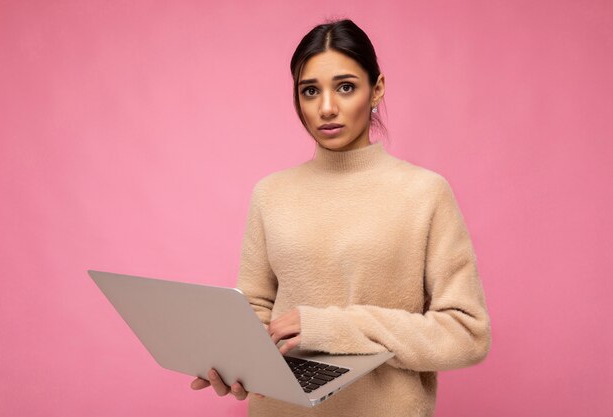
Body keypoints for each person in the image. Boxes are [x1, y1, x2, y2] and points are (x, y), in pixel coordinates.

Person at [191, 18, 491, 417]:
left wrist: (332, 328)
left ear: (376, 89)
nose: (326, 108)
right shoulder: (271, 194)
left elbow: (466, 334)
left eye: (345, 87)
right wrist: (235, 363)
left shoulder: (424, 193)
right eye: (310, 91)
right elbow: (256, 314)